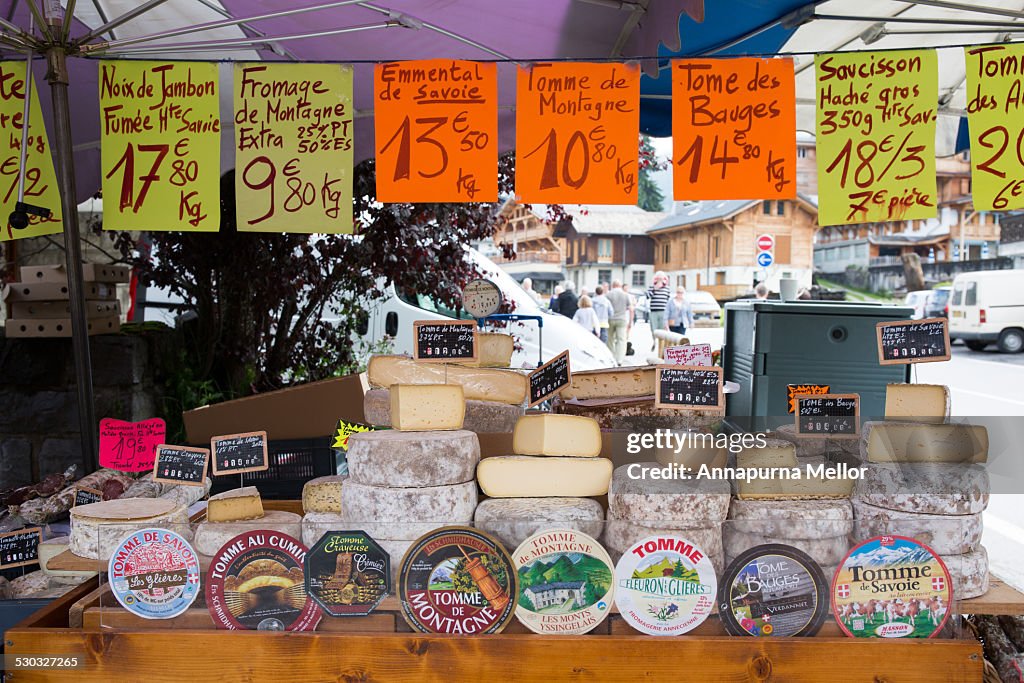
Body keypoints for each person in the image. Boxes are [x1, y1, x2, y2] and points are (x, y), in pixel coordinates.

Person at [605, 280, 633, 364]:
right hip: (622, 319)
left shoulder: (608, 295)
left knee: (610, 339)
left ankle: (611, 357)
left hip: (610, 319)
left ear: (612, 286)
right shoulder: (625, 295)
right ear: (620, 286)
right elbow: (631, 308)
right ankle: (619, 359)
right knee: (621, 340)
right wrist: (630, 322)